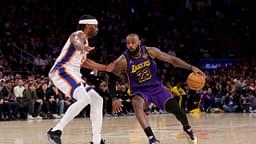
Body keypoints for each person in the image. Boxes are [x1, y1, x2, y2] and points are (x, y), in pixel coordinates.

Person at [108, 33, 205, 144]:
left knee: (179, 111)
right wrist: (114, 98)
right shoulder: (122, 60)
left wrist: (190, 67)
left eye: (133, 42)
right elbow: (111, 79)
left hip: (157, 88)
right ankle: (152, 138)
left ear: (139, 42)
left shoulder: (150, 51)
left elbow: (172, 60)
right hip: (140, 91)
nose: (130, 45)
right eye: (128, 43)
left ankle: (187, 129)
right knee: (136, 103)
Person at [47, 15, 112, 144]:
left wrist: (106, 68)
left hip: (74, 73)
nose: (97, 29)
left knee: (97, 99)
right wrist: (81, 47)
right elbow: (75, 41)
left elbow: (85, 63)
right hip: (62, 70)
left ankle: (96, 140)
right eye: (96, 26)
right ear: (88, 25)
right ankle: (55, 131)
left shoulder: (86, 42)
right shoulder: (79, 34)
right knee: (85, 99)